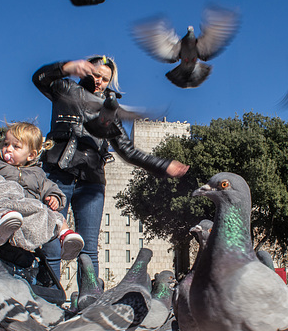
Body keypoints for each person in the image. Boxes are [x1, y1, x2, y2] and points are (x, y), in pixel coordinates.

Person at [32, 56, 189, 279]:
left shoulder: (109, 110)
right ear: (84, 70)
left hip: (91, 181)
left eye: (105, 79)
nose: (99, 81)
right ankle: (49, 293)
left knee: (88, 247)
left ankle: (90, 297)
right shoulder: (65, 89)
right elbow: (38, 79)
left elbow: (128, 150)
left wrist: (164, 165)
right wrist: (66, 68)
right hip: (57, 175)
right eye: (95, 75)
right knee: (50, 239)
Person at [0, 122, 84, 259]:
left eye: (16, 146)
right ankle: (0, 228)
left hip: (26, 215)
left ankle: (65, 235)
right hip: (1, 205)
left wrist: (54, 197)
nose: (8, 149)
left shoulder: (37, 174)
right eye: (6, 144)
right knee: (4, 185)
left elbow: (50, 187)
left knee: (54, 215)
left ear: (31, 155)